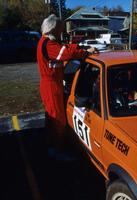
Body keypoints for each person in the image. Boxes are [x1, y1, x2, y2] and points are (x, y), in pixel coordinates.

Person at [37, 14, 97, 159]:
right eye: (60, 29)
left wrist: (81, 48)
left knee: (51, 117)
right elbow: (65, 53)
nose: (61, 32)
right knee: (58, 120)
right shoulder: (48, 44)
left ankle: (50, 144)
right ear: (53, 29)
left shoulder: (46, 42)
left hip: (51, 84)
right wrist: (84, 52)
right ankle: (57, 151)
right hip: (51, 86)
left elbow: (64, 49)